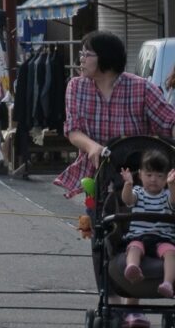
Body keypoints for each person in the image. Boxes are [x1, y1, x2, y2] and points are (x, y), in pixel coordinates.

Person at [54, 31, 175, 328]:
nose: (81, 59)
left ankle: (134, 308)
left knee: (147, 229)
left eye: (87, 54)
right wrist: (92, 146)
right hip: (100, 174)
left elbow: (169, 122)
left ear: (105, 59)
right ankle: (116, 305)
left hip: (142, 175)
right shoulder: (76, 87)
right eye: (82, 53)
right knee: (105, 235)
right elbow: (73, 130)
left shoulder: (141, 88)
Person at [120, 150, 175, 298]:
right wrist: (128, 184)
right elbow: (128, 200)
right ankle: (132, 267)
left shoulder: (167, 195)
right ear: (140, 175)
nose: (154, 179)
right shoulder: (138, 192)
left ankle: (168, 283)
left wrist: (171, 185)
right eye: (149, 175)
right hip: (139, 236)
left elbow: (173, 202)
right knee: (133, 248)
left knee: (171, 253)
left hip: (163, 238)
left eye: (159, 176)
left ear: (166, 178)